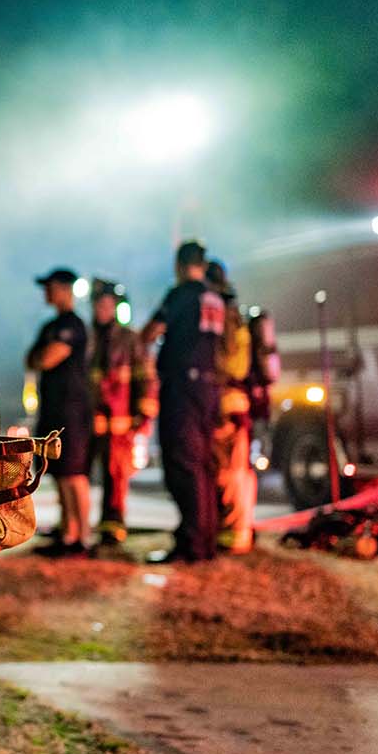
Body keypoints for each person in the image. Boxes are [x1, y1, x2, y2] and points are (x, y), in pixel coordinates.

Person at [141, 240, 225, 564]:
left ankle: (191, 544)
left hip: (182, 389)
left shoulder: (181, 294)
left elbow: (151, 332)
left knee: (182, 465)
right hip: (209, 387)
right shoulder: (215, 297)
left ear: (179, 265)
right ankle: (206, 541)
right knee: (203, 465)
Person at [84, 279, 157, 547]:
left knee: (116, 477)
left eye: (105, 304)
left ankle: (113, 526)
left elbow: (146, 380)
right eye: (97, 304)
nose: (100, 309)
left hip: (119, 422)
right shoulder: (87, 337)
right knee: (80, 474)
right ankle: (77, 525)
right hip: (90, 421)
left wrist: (144, 415)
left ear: (115, 307)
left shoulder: (129, 339)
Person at [27, 269, 91, 557]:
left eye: (51, 287)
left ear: (66, 289)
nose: (46, 293)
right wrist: (40, 356)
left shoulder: (72, 325)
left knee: (74, 473)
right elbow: (32, 359)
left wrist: (42, 355)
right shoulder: (51, 325)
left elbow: (46, 358)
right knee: (61, 472)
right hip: (55, 407)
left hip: (72, 409)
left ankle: (82, 538)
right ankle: (68, 533)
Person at [206, 260, 255, 554]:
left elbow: (224, 362)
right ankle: (239, 531)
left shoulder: (223, 317)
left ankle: (234, 534)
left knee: (229, 472)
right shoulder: (233, 313)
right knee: (237, 471)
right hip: (235, 400)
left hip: (227, 402)